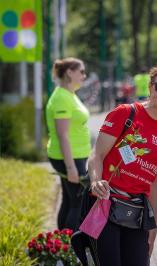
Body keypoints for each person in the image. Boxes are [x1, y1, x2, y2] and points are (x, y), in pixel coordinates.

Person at [87, 63, 157, 266]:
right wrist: (96, 181)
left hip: (137, 213)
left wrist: (154, 225)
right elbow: (97, 154)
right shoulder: (126, 113)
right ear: (150, 87)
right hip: (106, 204)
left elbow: (156, 182)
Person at [46, 57, 90, 231]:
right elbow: (62, 134)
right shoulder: (61, 98)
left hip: (75, 155)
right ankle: (71, 249)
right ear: (70, 72)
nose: (84, 76)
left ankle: (62, 246)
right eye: (81, 72)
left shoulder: (69, 94)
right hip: (69, 157)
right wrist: (71, 167)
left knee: (69, 199)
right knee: (77, 203)